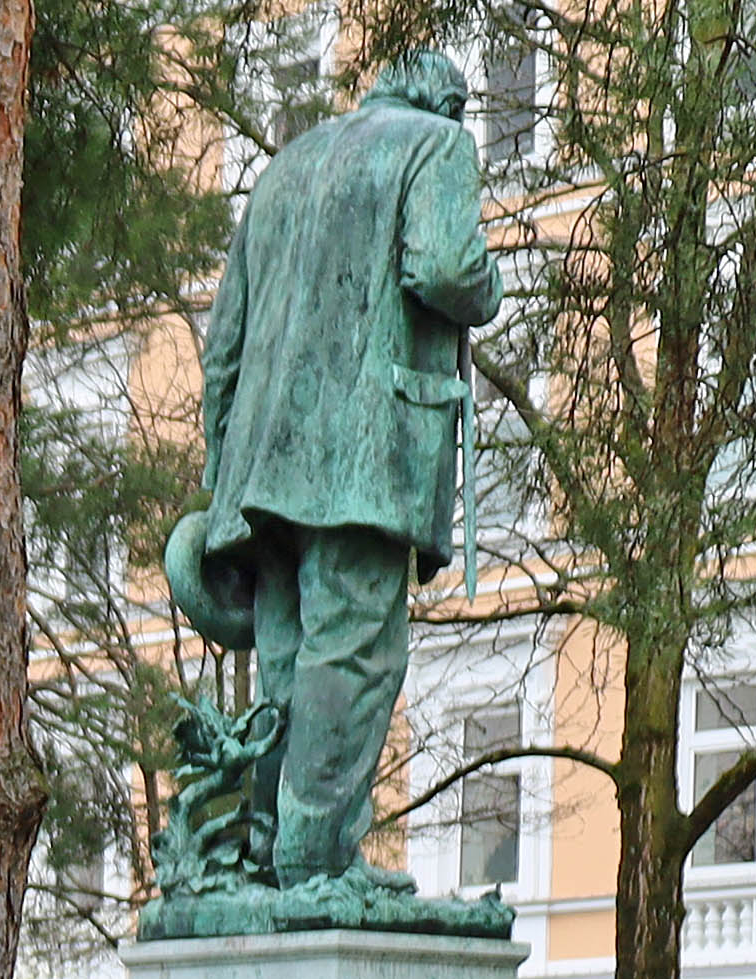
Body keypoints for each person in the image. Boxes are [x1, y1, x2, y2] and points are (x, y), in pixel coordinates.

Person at [182, 47, 498, 897]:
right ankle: (312, 860)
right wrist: (486, 288)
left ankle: (275, 844)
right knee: (355, 650)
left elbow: (226, 342)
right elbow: (445, 269)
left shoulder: (285, 166)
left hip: (262, 464)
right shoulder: (436, 146)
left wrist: (221, 474)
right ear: (447, 103)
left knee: (287, 659)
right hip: (364, 453)